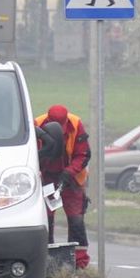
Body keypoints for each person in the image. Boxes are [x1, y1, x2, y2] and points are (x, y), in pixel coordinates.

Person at [35, 104, 91, 269]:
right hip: (46, 177)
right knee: (46, 219)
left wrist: (68, 172)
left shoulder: (76, 124)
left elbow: (83, 154)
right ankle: (46, 260)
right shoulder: (37, 124)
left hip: (71, 179)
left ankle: (79, 262)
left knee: (76, 219)